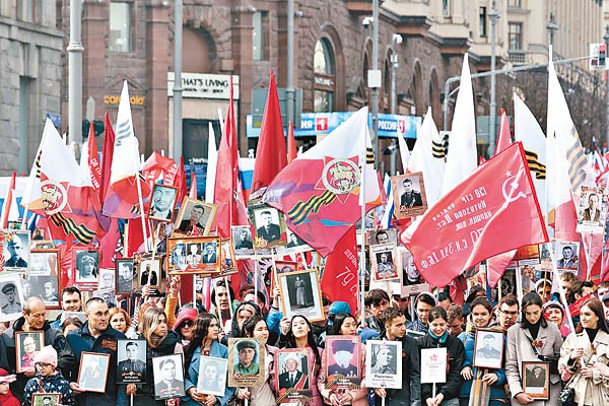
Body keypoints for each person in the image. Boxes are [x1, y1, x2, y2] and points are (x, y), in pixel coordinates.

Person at [3, 296, 73, 400]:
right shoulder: (7, 337)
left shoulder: (53, 335)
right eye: (36, 316)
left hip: (47, 395)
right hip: (17, 395)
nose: (41, 319)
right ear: (25, 314)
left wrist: (40, 369)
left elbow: (67, 359)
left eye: (43, 314)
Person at [64, 297, 127, 406]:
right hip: (81, 400)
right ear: (87, 316)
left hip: (108, 401)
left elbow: (122, 378)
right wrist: (69, 384)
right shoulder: (73, 338)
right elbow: (64, 369)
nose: (104, 318)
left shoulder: (119, 338)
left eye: (106, 313)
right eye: (99, 314)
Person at [506, 292, 563, 405]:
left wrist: (550, 363)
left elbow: (562, 358)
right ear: (523, 311)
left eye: (536, 313)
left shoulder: (553, 329)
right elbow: (511, 366)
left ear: (542, 309)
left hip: (550, 390)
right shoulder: (514, 331)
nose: (532, 317)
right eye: (528, 313)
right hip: (525, 391)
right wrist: (517, 392)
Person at [558, 297, 609, 406]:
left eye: (587, 314)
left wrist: (595, 373)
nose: (583, 318)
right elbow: (562, 367)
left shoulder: (607, 339)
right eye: (581, 314)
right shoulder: (573, 338)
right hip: (576, 394)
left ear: (597, 317)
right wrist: (571, 358)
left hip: (600, 396)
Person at [459, 297, 506, 405]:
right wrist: (464, 366)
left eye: (483, 314)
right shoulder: (463, 338)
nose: (479, 318)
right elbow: (455, 364)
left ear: (490, 314)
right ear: (471, 314)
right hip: (467, 392)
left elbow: (510, 366)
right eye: (476, 314)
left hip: (494, 394)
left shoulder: (501, 337)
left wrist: (498, 376)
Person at [132, 307, 183, 404]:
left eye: (164, 322)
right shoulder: (137, 344)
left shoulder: (173, 344)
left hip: (163, 398)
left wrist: (173, 397)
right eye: (159, 322)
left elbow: (178, 377)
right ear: (149, 323)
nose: (163, 325)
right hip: (141, 398)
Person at [183, 313, 234, 405]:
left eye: (216, 325)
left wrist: (217, 398)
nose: (216, 329)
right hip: (192, 402)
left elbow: (231, 381)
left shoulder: (225, 351)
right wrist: (189, 389)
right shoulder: (188, 350)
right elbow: (181, 375)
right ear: (202, 328)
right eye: (211, 326)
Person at [272, 315, 323, 406]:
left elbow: (323, 378)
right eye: (295, 325)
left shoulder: (319, 352)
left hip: (314, 400)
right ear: (291, 332)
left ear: (309, 328)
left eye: (302, 323)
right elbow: (273, 382)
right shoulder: (283, 354)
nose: (299, 326)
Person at [374, 307, 420, 405]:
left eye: (404, 323)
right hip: (382, 399)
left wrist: (416, 402)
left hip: (402, 399)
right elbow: (370, 371)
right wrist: (375, 387)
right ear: (387, 326)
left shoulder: (411, 343)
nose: (404, 328)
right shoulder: (375, 343)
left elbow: (415, 375)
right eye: (399, 325)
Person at [318, 313, 368, 406]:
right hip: (334, 402)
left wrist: (351, 395)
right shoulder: (328, 350)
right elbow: (321, 379)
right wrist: (329, 394)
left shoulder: (363, 349)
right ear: (339, 329)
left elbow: (367, 378)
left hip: (356, 402)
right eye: (347, 326)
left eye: (354, 324)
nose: (352, 329)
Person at [419, 306, 465, 406]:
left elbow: (456, 373)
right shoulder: (421, 343)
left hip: (449, 397)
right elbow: (418, 372)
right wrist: (427, 396)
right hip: (426, 398)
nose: (438, 328)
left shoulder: (456, 343)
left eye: (442, 324)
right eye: (434, 325)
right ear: (428, 323)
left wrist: (442, 394)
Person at [233, 316, 277, 405]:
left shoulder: (275, 352)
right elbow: (232, 384)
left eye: (266, 329)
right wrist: (238, 391)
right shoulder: (238, 353)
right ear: (249, 333)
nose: (264, 333)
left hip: (269, 402)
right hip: (250, 402)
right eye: (260, 329)